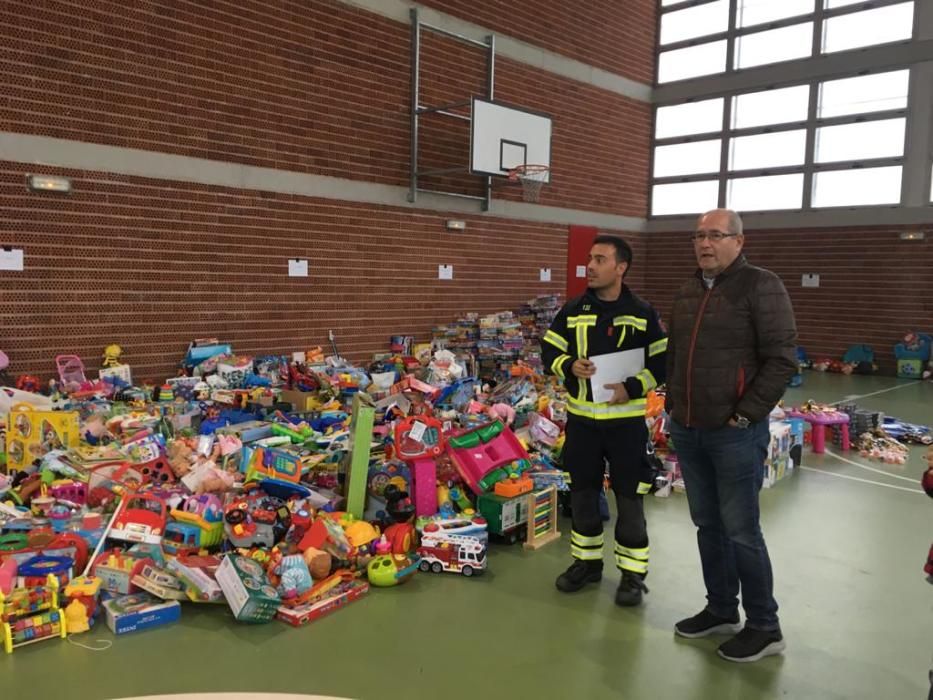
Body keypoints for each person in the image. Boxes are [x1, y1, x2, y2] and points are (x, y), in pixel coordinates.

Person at [665, 208, 797, 662]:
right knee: (708, 526)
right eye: (699, 235)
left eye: (716, 235)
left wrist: (745, 415)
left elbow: (782, 358)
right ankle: (721, 608)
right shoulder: (686, 290)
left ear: (739, 242)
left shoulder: (761, 285)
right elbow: (675, 354)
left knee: (742, 531)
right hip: (689, 427)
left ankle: (765, 625)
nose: (705, 243)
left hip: (735, 432)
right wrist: (673, 408)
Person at [541, 235, 667, 606]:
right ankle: (586, 563)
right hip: (581, 423)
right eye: (589, 259)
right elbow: (550, 348)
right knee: (582, 495)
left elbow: (660, 363)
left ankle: (632, 575)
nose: (590, 267)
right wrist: (568, 365)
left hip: (626, 425)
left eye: (599, 259)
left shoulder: (643, 312)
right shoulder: (573, 309)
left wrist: (633, 386)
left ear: (621, 267)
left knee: (629, 499)